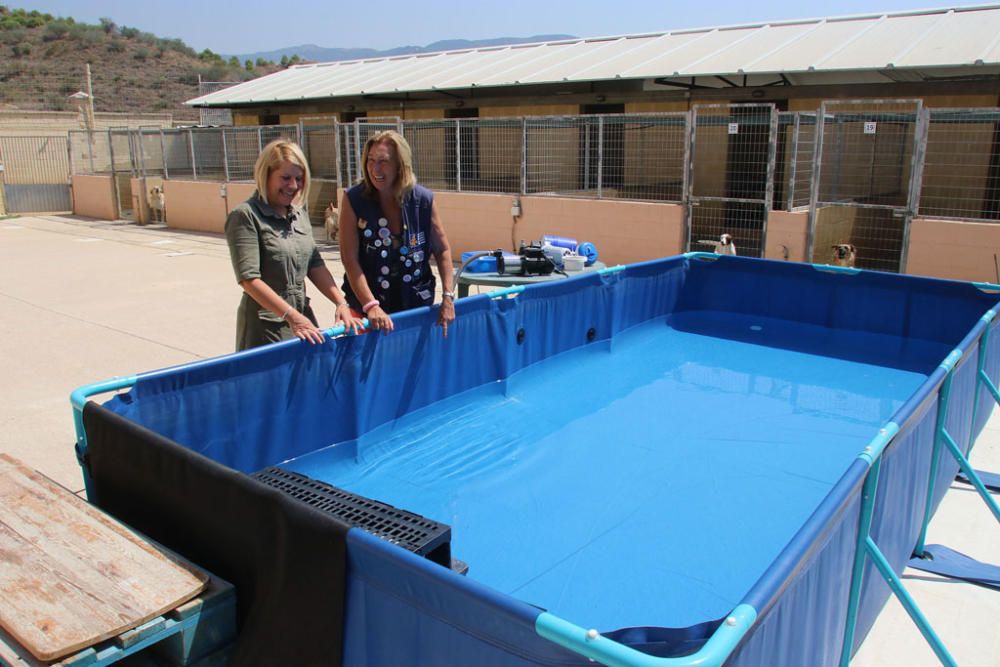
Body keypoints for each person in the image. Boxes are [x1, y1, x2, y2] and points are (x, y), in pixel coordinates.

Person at [225, 139, 362, 351]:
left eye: (299, 178)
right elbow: (249, 279)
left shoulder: (298, 214)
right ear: (266, 175)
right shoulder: (245, 216)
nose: (293, 186)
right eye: (285, 178)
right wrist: (292, 317)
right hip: (265, 328)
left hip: (301, 319)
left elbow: (314, 263)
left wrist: (341, 302)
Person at [338, 130, 456, 336]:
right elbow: (349, 259)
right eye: (370, 160)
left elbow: (442, 249)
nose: (375, 168)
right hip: (367, 310)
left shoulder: (423, 200)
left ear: (401, 165)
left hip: (414, 306)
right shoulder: (354, 199)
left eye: (383, 161)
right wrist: (370, 305)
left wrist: (448, 296)